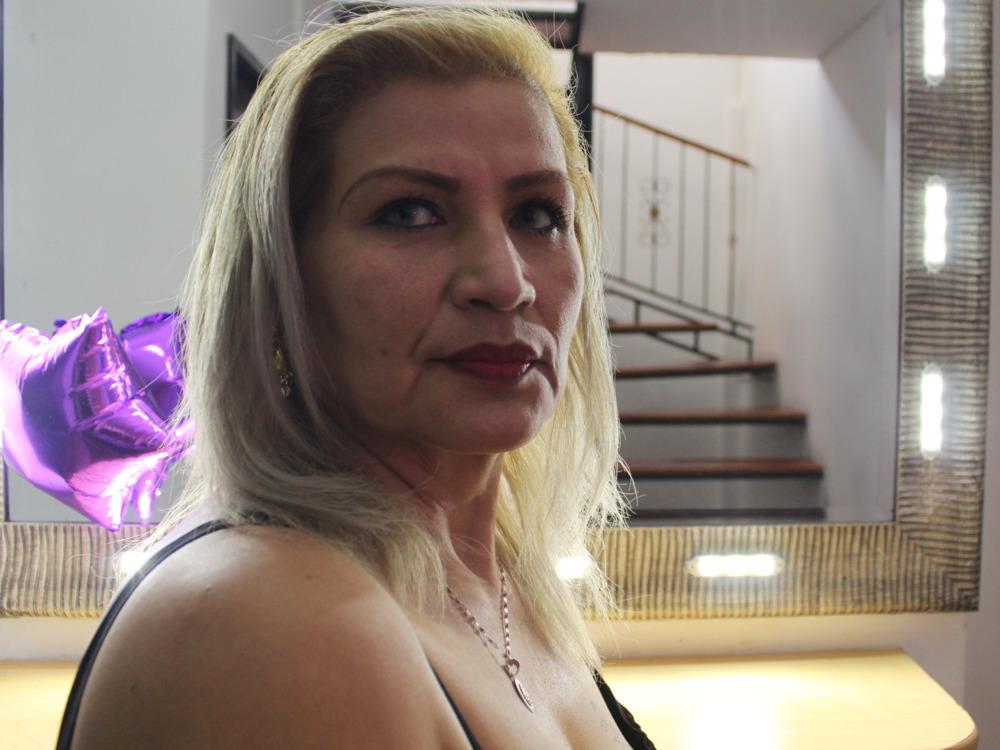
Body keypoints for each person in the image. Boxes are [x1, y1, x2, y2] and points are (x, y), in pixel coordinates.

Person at [58, 6, 655, 748]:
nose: (506, 283)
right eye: (411, 213)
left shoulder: (501, 583)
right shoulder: (270, 616)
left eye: (537, 215)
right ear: (282, 281)